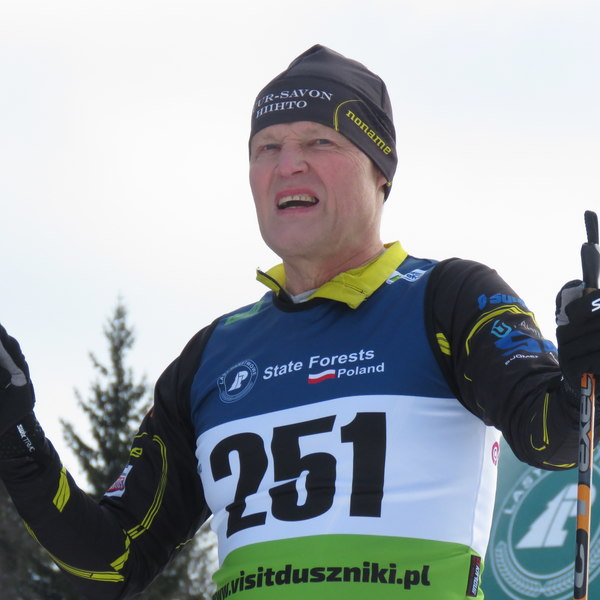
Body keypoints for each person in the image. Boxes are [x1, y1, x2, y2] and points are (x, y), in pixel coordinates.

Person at [1, 45, 599, 600]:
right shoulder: (212, 355)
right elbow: (113, 560)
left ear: (380, 171)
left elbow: (554, 436)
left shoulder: (449, 298)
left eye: (319, 142)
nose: (289, 165)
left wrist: (586, 375)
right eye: (267, 148)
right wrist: (15, 433)